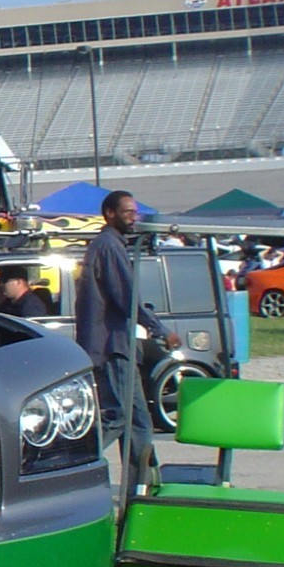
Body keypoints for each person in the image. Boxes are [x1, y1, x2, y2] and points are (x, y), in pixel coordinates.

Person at [75, 190, 177, 476]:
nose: (134, 218)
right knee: (118, 416)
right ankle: (68, 463)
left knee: (138, 419)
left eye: (135, 212)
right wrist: (160, 329)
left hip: (117, 344)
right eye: (128, 212)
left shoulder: (108, 244)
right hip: (111, 346)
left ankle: (143, 483)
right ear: (110, 214)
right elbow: (127, 297)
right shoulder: (109, 246)